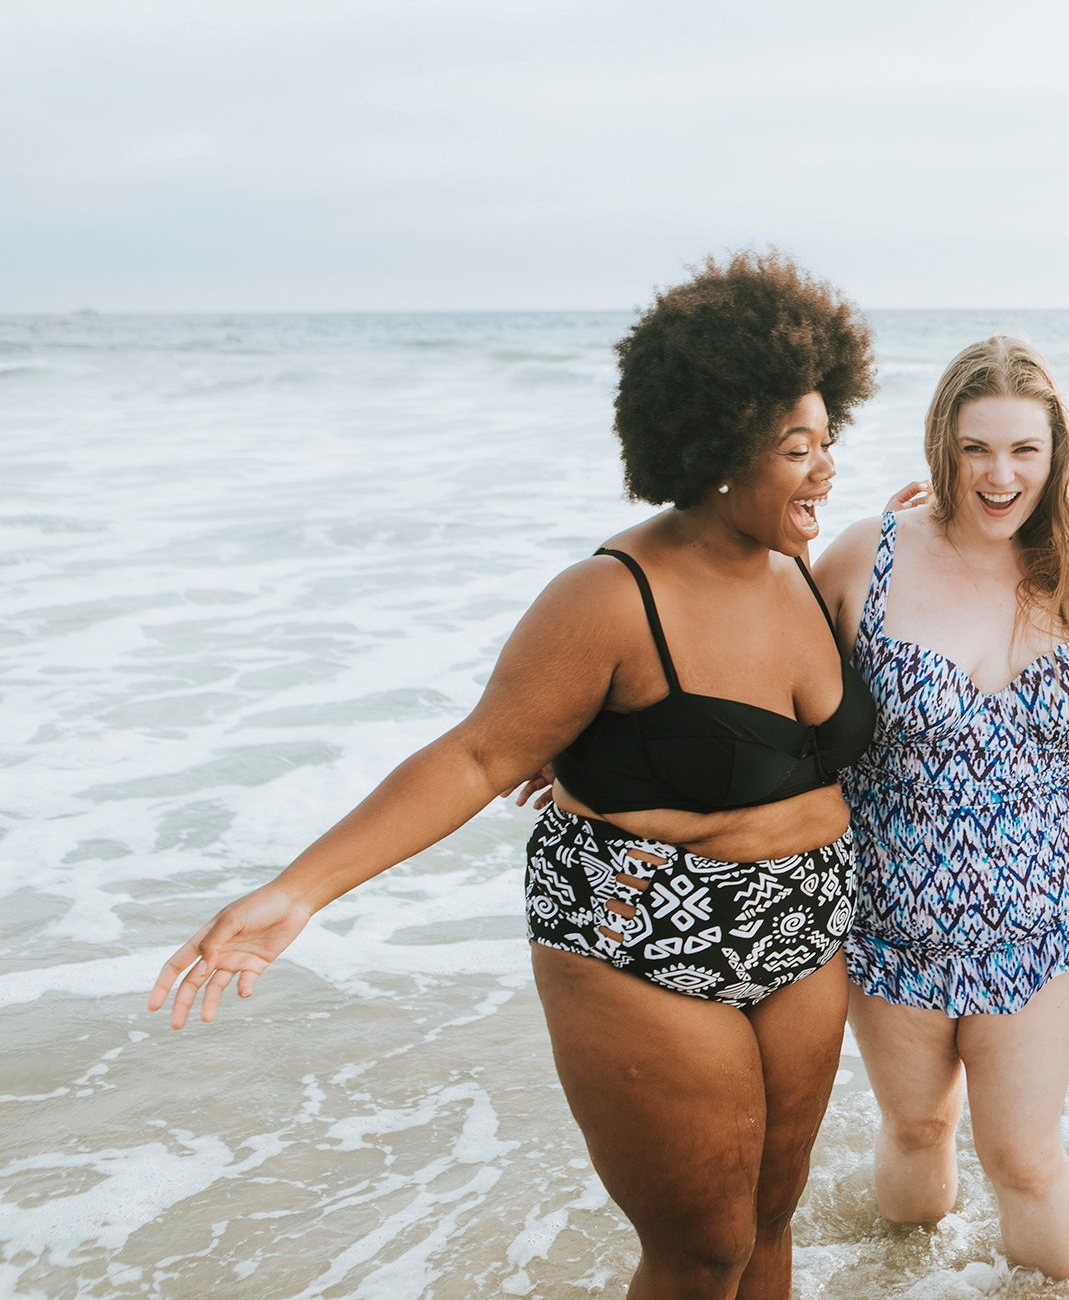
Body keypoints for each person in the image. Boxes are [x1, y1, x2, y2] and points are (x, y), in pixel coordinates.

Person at [146, 250, 879, 1300]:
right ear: (718, 450)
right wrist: (293, 891)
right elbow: (479, 752)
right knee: (700, 1248)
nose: (824, 470)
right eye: (796, 449)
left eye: (828, 440)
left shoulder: (805, 568)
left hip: (805, 923)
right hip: (640, 932)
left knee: (769, 1222)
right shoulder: (609, 596)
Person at [811, 336, 1069, 1279]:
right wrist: (586, 733)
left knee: (1023, 1156)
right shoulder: (868, 556)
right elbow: (749, 671)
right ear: (941, 443)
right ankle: (904, 1276)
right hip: (891, 911)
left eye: (1024, 450)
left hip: (1042, 914)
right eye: (975, 448)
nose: (999, 475)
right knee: (916, 1125)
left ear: (1055, 454)